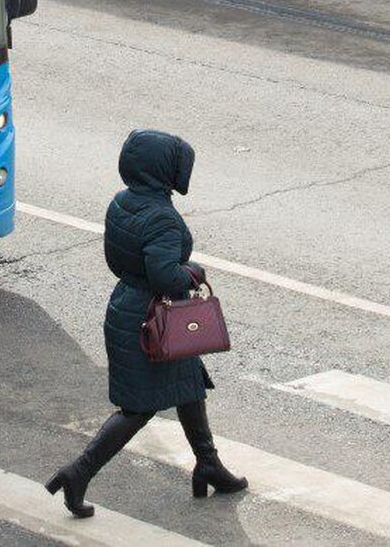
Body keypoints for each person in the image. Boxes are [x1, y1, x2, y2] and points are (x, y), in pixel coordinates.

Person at [46, 130, 246, 518]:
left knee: (188, 385)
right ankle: (78, 473)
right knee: (137, 409)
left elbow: (120, 258)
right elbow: (166, 277)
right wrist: (193, 272)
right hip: (155, 319)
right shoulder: (163, 219)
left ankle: (208, 465)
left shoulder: (123, 203)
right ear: (162, 170)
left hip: (129, 306)